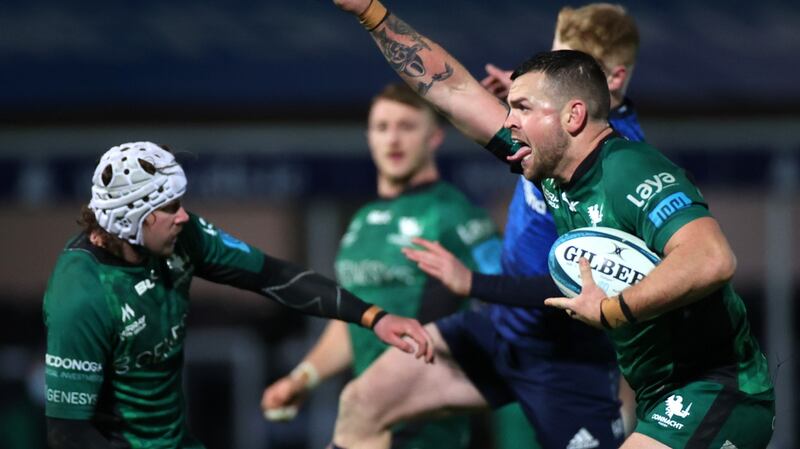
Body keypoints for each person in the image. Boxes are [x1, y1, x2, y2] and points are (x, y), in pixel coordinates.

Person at [330, 2, 774, 449]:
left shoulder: (628, 171)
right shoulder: (554, 169)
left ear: (573, 115)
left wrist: (611, 311)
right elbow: (453, 90)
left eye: (521, 108)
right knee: (363, 402)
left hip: (712, 387)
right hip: (592, 365)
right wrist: (373, 14)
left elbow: (712, 258)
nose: (508, 121)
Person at [42, 141, 434, 449]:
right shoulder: (81, 295)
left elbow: (273, 276)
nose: (184, 216)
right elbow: (67, 433)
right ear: (132, 219)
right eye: (171, 207)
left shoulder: (183, 238)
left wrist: (374, 317)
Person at [410, 3, 645, 442]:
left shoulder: (617, 169)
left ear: (612, 80)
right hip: (502, 330)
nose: (553, 76)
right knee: (366, 399)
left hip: (565, 360)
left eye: (567, 67)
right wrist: (530, 103)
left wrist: (472, 283)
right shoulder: (553, 129)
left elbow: (574, 284)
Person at [260, 83, 502, 449]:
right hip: (370, 415)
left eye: (407, 126)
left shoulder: (454, 215)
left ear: (434, 137)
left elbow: (503, 301)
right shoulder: (362, 221)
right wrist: (303, 378)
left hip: (427, 426)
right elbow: (357, 318)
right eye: (382, 127)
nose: (393, 139)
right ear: (369, 137)